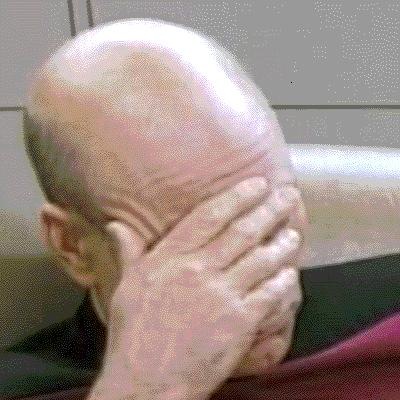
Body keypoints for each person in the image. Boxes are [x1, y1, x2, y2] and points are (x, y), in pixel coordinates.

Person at [1, 19, 399, 400]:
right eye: (200, 249)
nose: (263, 293)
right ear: (73, 247)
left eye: (271, 220)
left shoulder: (385, 315)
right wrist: (149, 387)